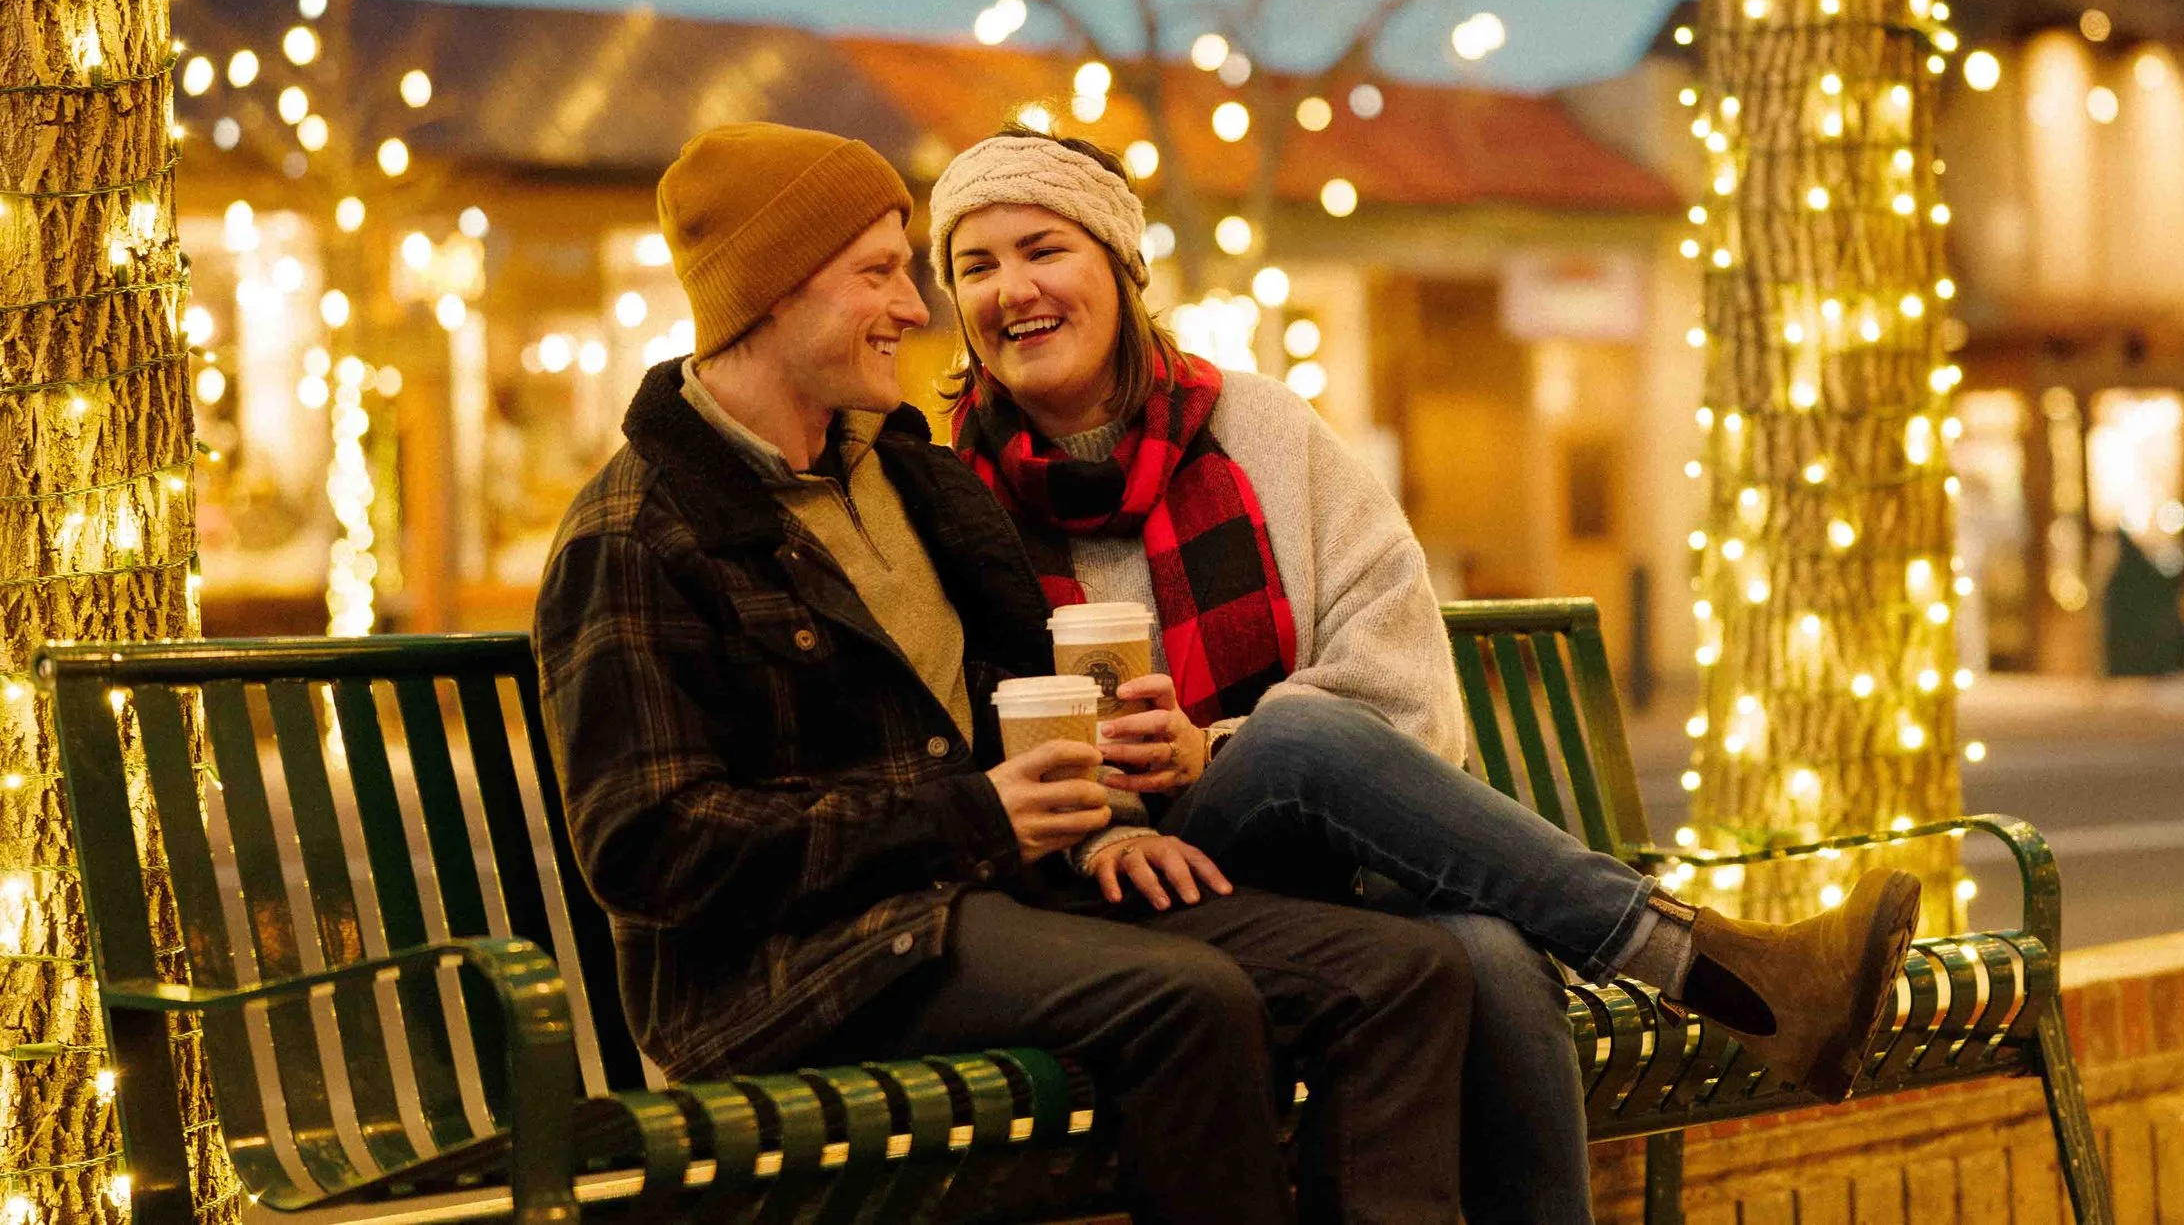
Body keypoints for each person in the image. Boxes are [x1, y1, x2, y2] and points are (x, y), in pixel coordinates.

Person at [929, 129, 1925, 1225]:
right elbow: (949, 731)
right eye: (975, 265)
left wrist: (1209, 748)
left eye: (1041, 248)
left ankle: (1733, 980)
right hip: (1105, 894)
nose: (1011, 288)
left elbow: (1408, 690)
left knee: (1490, 951)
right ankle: (1715, 966)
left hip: (1318, 859)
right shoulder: (941, 489)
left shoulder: (1260, 430)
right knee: (1297, 739)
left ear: (1116, 263)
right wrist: (1112, 818)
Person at [534, 124, 1478, 1225]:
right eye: (880, 272)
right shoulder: (641, 529)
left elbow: (1020, 702)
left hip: (993, 903)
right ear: (774, 293)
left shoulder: (906, 474)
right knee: (1185, 999)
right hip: (797, 968)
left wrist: (1105, 821)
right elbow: (647, 844)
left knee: (1407, 971)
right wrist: (969, 816)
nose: (917, 306)